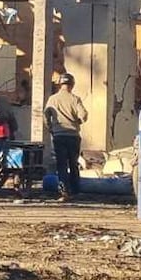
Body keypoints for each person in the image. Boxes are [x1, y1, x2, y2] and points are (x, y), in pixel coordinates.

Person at [44, 72, 87, 201]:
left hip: (59, 136)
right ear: (72, 85)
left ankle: (64, 192)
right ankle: (75, 191)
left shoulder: (53, 99)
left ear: (60, 84)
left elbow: (46, 115)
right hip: (73, 136)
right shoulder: (75, 99)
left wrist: (51, 128)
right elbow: (83, 115)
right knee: (73, 164)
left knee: (61, 164)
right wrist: (78, 122)